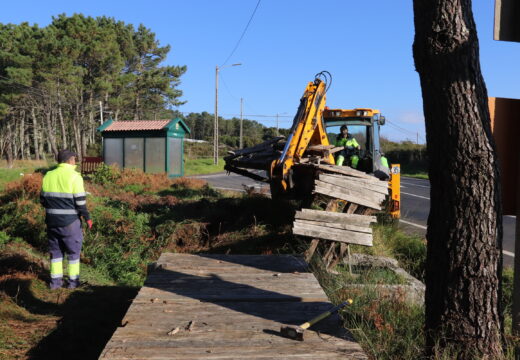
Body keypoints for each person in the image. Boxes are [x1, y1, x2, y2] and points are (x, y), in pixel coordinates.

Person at [40, 150, 92, 289]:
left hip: (51, 222)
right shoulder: (75, 177)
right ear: (70, 160)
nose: (75, 162)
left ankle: (55, 283)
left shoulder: (48, 175)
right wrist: (87, 217)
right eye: (74, 159)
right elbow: (80, 202)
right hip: (70, 223)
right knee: (73, 253)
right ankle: (73, 283)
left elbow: (43, 200)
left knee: (55, 253)